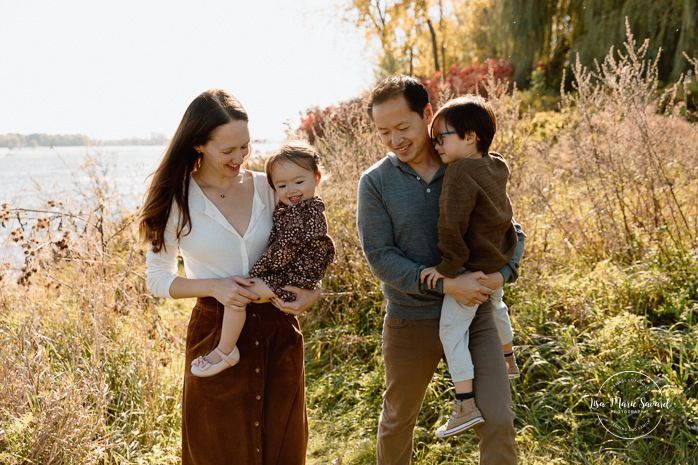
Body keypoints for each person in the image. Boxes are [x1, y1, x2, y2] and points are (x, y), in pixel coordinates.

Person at [139, 89, 320, 464]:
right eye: (227, 151)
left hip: (277, 331)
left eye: (246, 147)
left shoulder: (267, 187)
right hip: (216, 336)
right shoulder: (176, 199)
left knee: (282, 447)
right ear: (199, 145)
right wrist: (215, 286)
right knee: (216, 447)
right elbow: (157, 279)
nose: (239, 158)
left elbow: (308, 245)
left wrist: (311, 293)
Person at [357, 75, 525, 465]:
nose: (395, 139)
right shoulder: (375, 183)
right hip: (409, 320)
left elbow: (511, 229)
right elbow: (380, 255)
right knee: (399, 419)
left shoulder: (465, 162)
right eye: (384, 132)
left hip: (476, 314)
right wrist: (449, 285)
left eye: (403, 127)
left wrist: (504, 275)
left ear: (427, 115)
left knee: (499, 419)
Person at [191, 140, 336, 377]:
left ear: (317, 178)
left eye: (299, 182)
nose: (291, 190)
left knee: (238, 294)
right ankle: (226, 350)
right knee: (240, 293)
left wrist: (257, 272)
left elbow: (284, 251)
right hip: (287, 273)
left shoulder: (308, 213)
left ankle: (225, 352)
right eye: (282, 185)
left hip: (292, 276)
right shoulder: (293, 207)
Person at [419, 95, 518, 438]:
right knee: (497, 304)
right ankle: (508, 357)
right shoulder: (496, 165)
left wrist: (447, 269)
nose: (436, 146)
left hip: (471, 271)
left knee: (451, 331)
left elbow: (451, 227)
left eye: (441, 137)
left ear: (470, 136)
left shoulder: (459, 174)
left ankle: (464, 404)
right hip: (497, 261)